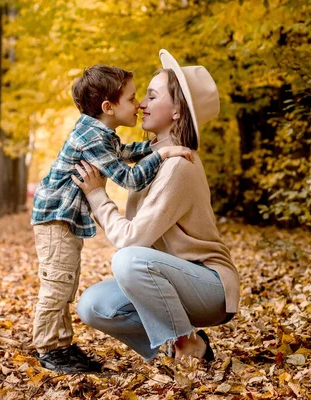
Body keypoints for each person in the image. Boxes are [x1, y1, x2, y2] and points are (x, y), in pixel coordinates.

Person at [73, 50, 239, 363]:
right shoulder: (150, 159)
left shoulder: (178, 164)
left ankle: (184, 344)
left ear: (177, 110)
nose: (141, 104)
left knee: (129, 260)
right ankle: (175, 349)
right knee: (93, 305)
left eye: (151, 96)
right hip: (168, 279)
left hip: (210, 287)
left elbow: (132, 241)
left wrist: (97, 195)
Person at [30, 64, 194, 373]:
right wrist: (161, 155)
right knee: (57, 284)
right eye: (132, 99)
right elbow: (128, 178)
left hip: (62, 218)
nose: (138, 105)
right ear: (109, 107)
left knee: (66, 283)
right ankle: (49, 348)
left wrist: (160, 144)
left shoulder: (101, 132)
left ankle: (61, 345)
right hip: (55, 217)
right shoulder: (92, 137)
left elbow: (126, 151)